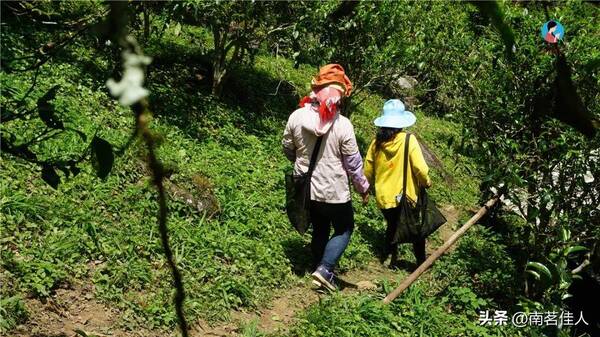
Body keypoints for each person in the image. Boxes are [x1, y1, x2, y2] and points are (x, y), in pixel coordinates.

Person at [282, 64, 369, 291]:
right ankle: (326, 269)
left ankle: (316, 265)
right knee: (344, 228)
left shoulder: (297, 116)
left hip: (306, 187)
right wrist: (363, 189)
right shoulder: (343, 126)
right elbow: (353, 164)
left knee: (320, 227)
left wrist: (300, 161)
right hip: (335, 191)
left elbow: (287, 146)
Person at [364, 99, 432, 267]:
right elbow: (420, 168)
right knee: (415, 229)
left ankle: (390, 258)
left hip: (383, 197)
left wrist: (365, 189)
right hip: (406, 195)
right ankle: (421, 262)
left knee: (392, 225)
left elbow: (367, 169)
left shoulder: (376, 143)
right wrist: (426, 182)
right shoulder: (408, 140)